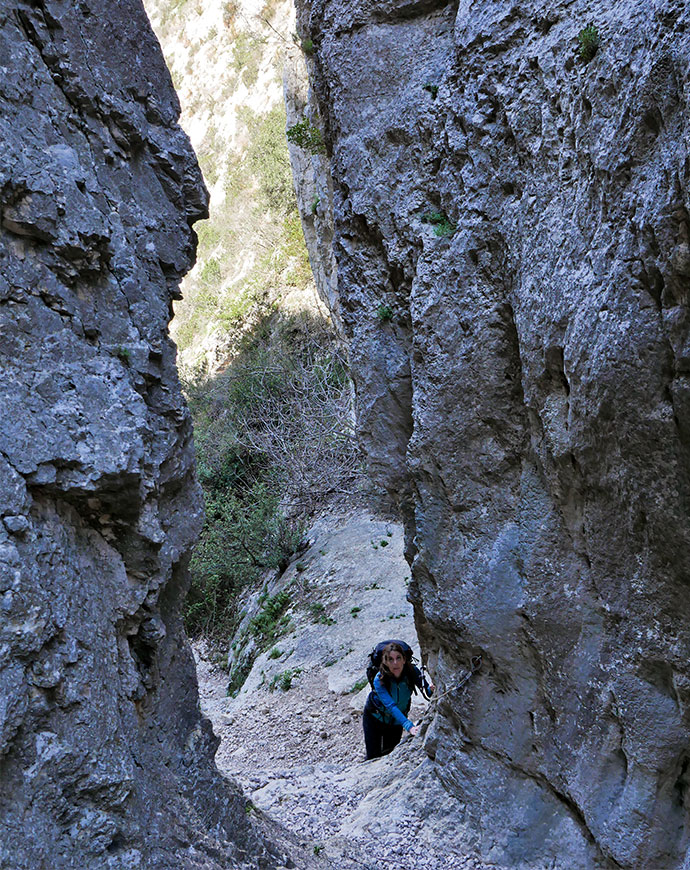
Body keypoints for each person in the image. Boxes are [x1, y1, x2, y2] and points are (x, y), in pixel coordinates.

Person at [362, 641, 434, 760]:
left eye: (398, 658)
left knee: (389, 754)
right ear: (385, 662)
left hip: (395, 722)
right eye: (390, 659)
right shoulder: (379, 680)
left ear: (404, 660)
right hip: (374, 718)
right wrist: (409, 726)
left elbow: (426, 691)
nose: (395, 663)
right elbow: (391, 706)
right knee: (372, 756)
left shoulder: (412, 672)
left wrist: (431, 689)